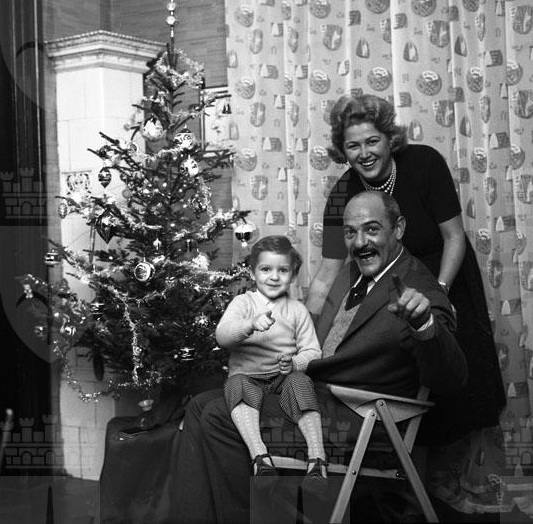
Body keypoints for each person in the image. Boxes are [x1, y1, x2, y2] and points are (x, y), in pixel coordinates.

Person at [169, 192, 468, 524]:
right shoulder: (352, 273)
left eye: (372, 229)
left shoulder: (419, 287)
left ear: (398, 228)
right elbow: (318, 342)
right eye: (351, 232)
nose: (360, 242)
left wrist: (423, 323)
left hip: (361, 421)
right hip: (316, 395)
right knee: (199, 405)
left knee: (217, 416)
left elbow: (452, 378)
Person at [305, 94, 505, 442]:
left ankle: (460, 467)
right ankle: (407, 462)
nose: (364, 153)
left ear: (389, 139)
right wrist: (302, 330)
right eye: (353, 146)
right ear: (342, 150)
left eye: (372, 141)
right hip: (388, 287)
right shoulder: (341, 195)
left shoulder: (425, 162)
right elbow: (328, 271)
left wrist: (440, 292)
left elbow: (454, 236)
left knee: (455, 377)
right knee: (404, 379)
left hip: (443, 274)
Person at [216, 235, 326, 495]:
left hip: (282, 378)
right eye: (266, 269)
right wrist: (249, 324)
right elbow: (222, 336)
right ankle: (260, 458)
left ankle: (317, 459)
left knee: (301, 382)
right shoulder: (243, 303)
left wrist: (295, 362)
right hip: (249, 378)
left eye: (283, 270)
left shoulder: (297, 310)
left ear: (293, 275)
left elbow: (313, 351)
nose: (274, 277)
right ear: (253, 273)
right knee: (236, 384)